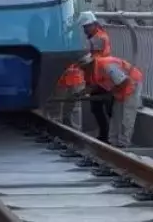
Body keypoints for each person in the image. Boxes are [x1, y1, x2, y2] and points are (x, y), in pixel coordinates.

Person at [78, 51, 143, 147]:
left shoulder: (106, 66)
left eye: (83, 68)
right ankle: (113, 142)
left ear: (89, 64)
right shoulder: (93, 69)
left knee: (126, 116)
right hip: (119, 88)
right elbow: (95, 85)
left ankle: (123, 144)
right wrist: (80, 94)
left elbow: (124, 81)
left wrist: (110, 93)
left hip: (132, 84)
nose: (82, 70)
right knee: (116, 115)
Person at [79, 11, 114, 142]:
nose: (84, 30)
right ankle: (106, 135)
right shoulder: (98, 36)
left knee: (100, 107)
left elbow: (95, 61)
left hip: (101, 77)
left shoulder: (98, 38)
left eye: (86, 27)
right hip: (101, 76)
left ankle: (106, 135)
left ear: (93, 24)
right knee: (99, 107)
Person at [45, 63, 84, 129]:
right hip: (65, 79)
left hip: (71, 79)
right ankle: (57, 127)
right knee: (58, 105)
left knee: (70, 106)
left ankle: (72, 130)